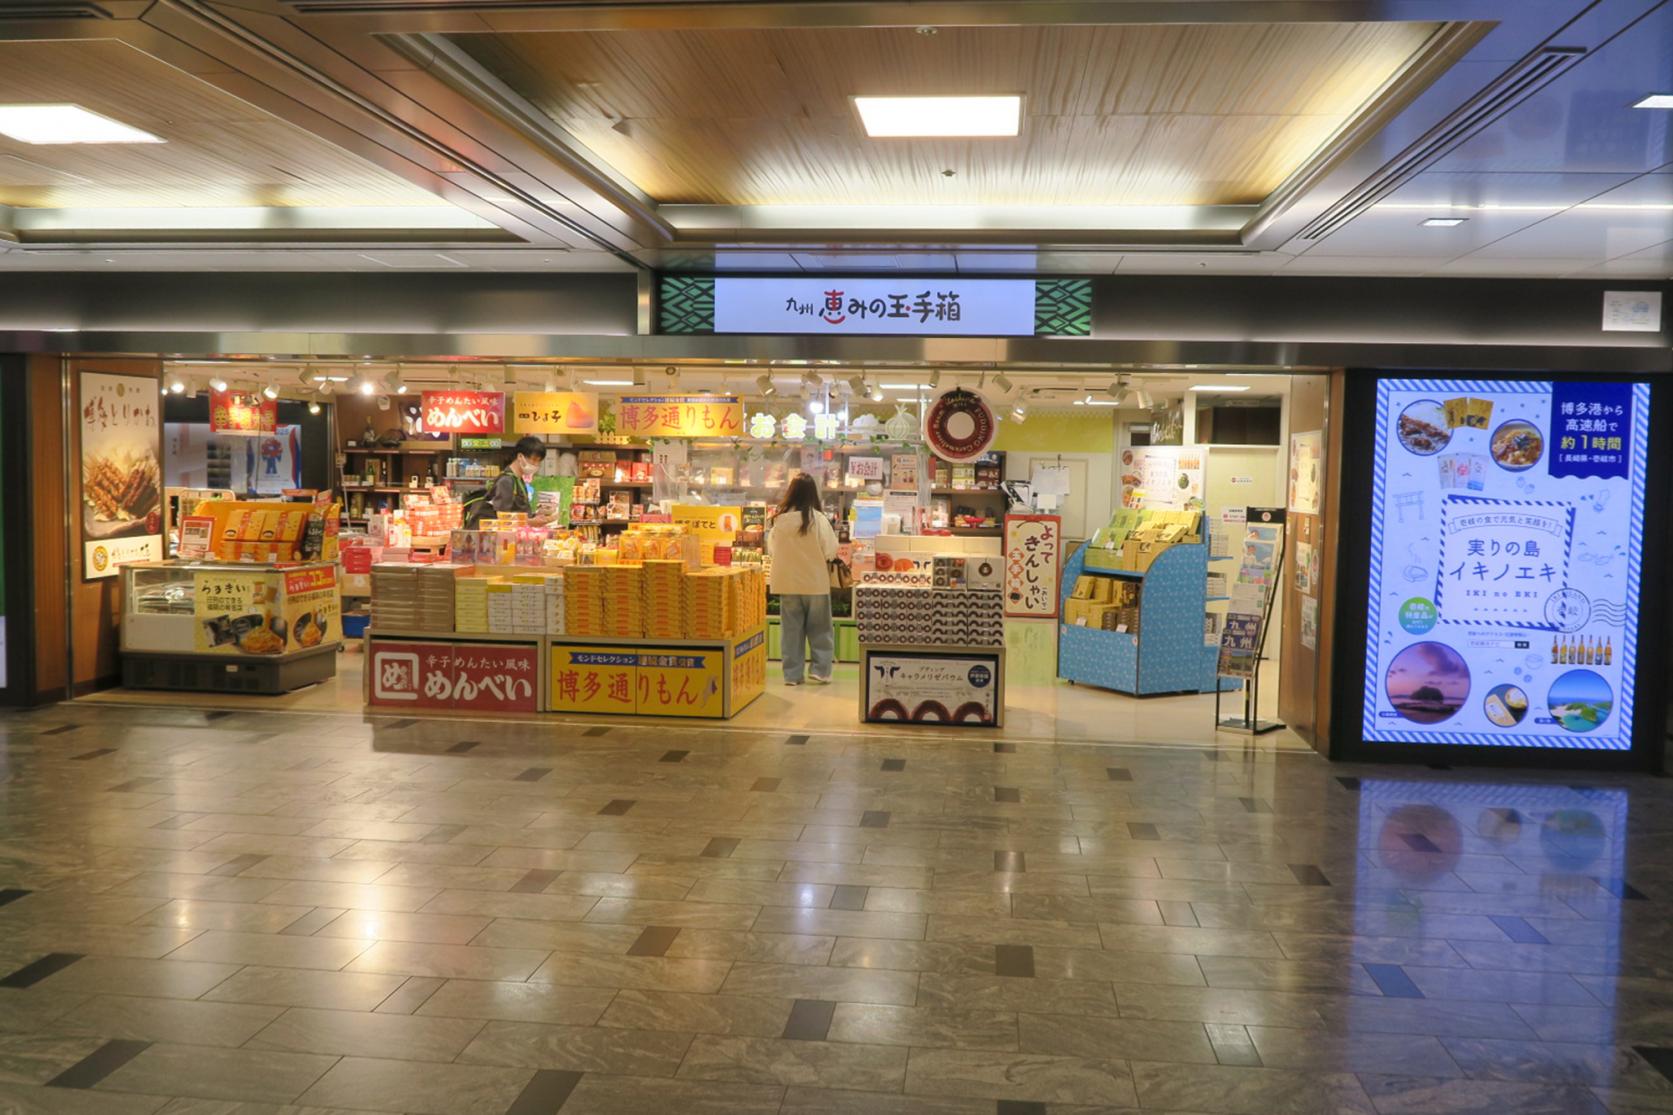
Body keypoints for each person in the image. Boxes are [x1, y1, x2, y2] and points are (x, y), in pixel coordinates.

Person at [769, 474, 838, 685]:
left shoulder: (779, 520)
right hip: (815, 583)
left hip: (787, 583)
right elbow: (831, 551)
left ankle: (792, 675)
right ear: (812, 494)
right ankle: (820, 670)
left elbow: (772, 550)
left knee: (791, 631)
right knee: (820, 629)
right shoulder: (817, 519)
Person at [466, 436, 553, 528]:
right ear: (520, 456)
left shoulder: (518, 480)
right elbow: (503, 519)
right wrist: (531, 522)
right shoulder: (506, 481)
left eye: (539, 461)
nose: (536, 465)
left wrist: (537, 516)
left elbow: (519, 513)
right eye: (534, 460)